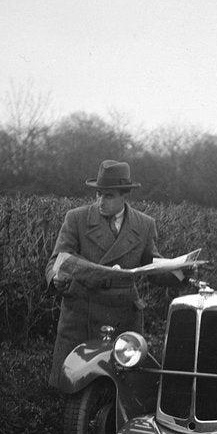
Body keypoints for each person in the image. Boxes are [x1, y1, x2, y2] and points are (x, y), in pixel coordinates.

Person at [44, 159, 182, 387]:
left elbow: (153, 268)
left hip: (123, 317)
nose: (100, 201)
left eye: (108, 196)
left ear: (124, 195)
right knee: (71, 386)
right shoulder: (76, 219)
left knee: (124, 388)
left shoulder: (144, 225)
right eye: (98, 194)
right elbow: (55, 261)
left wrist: (180, 271)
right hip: (81, 315)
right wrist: (56, 278)